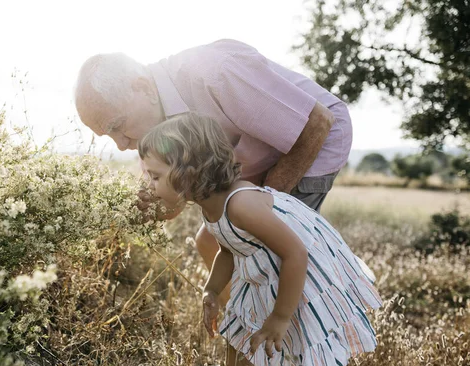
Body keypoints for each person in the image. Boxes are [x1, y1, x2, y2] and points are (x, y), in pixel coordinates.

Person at [74, 39, 353, 303]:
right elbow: (171, 205)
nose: (121, 145)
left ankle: (286, 329)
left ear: (144, 87)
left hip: (310, 141)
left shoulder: (213, 73)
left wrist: (259, 207)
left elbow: (318, 122)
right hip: (252, 156)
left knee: (263, 252)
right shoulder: (150, 127)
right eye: (107, 136)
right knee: (208, 241)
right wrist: (137, 208)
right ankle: (242, 324)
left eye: (117, 126)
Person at [138, 113, 382, 366]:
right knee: (239, 336)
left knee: (315, 354)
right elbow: (229, 249)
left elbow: (295, 253)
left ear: (187, 172)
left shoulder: (241, 204)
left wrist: (280, 317)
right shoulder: (209, 206)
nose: (150, 184)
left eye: (155, 176)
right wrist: (212, 290)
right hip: (262, 274)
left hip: (299, 276)